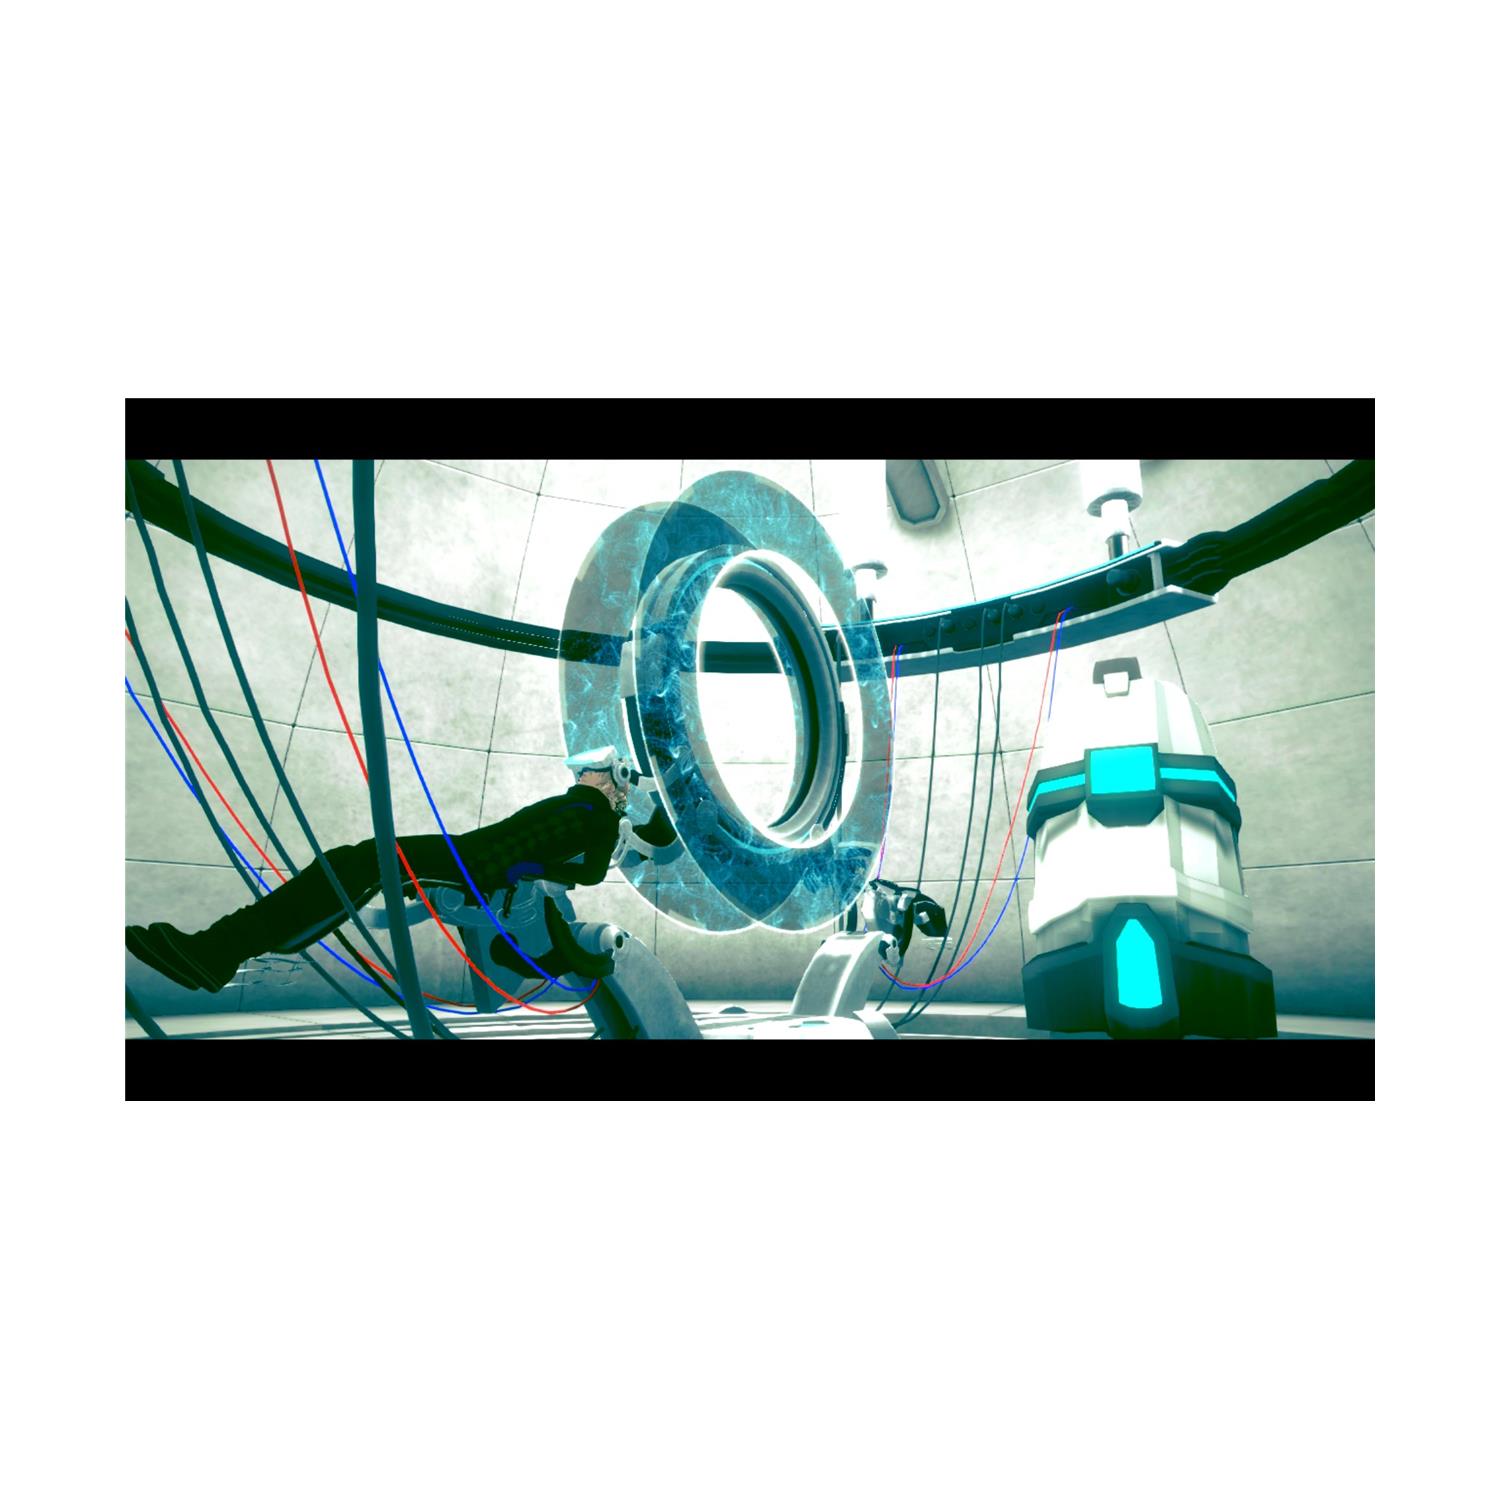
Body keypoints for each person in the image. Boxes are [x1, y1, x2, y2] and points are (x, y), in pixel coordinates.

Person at [124, 748, 676, 995]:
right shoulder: (579, 805)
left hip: (475, 865)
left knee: (358, 867)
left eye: (592, 771)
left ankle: (218, 952)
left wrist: (526, 867)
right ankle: (218, 949)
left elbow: (590, 873)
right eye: (583, 771)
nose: (582, 775)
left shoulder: (599, 818)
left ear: (612, 779)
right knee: (353, 862)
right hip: (470, 854)